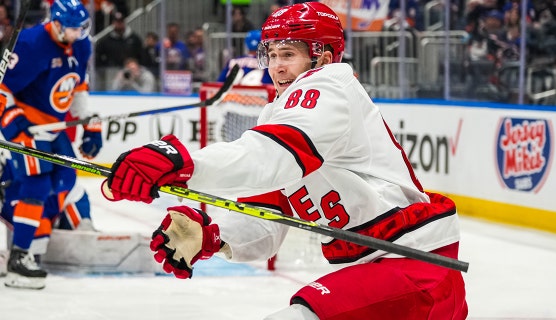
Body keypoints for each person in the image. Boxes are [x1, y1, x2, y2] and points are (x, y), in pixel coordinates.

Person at [101, 2, 467, 319]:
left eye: (288, 54)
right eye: (272, 55)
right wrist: (215, 234)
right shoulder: (277, 113)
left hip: (413, 268)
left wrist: (185, 163)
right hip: (379, 273)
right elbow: (269, 218)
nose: (276, 67)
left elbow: (272, 157)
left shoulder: (329, 85)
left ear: (323, 56)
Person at [0, 0, 102, 289]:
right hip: (25, 124)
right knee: (37, 182)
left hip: (53, 126)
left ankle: (27, 242)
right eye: (72, 29)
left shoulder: (81, 44)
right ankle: (19, 258)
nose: (78, 34)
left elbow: (78, 84)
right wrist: (15, 126)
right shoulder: (31, 44)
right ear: (56, 24)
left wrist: (90, 124)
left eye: (82, 28)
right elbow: (2, 90)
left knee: (66, 177)